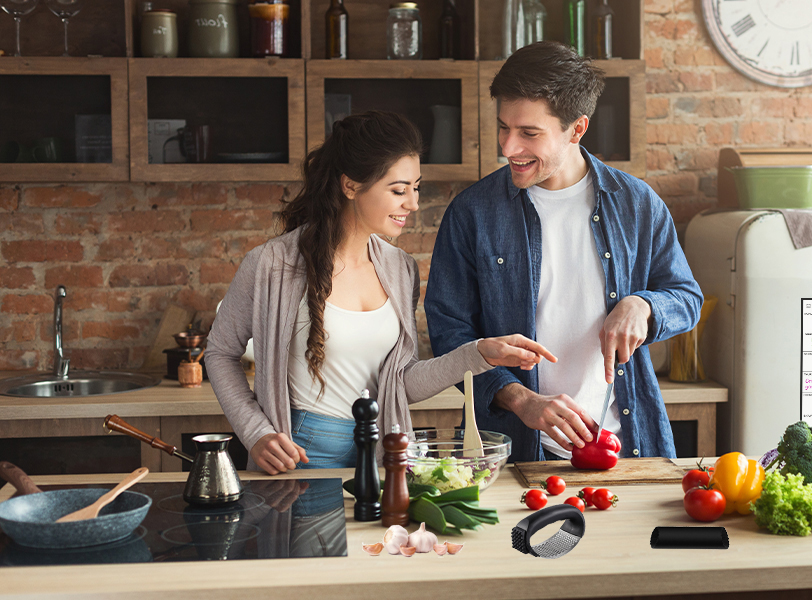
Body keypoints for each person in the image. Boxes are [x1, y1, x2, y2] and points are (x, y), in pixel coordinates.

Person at [206, 111, 555, 474]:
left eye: (415, 188)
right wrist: (255, 432)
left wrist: (479, 353)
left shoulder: (400, 269)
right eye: (399, 190)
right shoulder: (271, 265)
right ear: (351, 186)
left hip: (382, 455)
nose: (413, 203)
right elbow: (220, 353)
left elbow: (399, 384)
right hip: (301, 455)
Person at [425, 42, 703, 463]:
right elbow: (450, 333)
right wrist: (520, 399)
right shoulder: (472, 213)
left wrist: (643, 306)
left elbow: (686, 298)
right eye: (504, 127)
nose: (508, 147)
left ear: (577, 129)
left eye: (529, 134)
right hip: (514, 452)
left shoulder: (637, 204)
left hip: (625, 446)